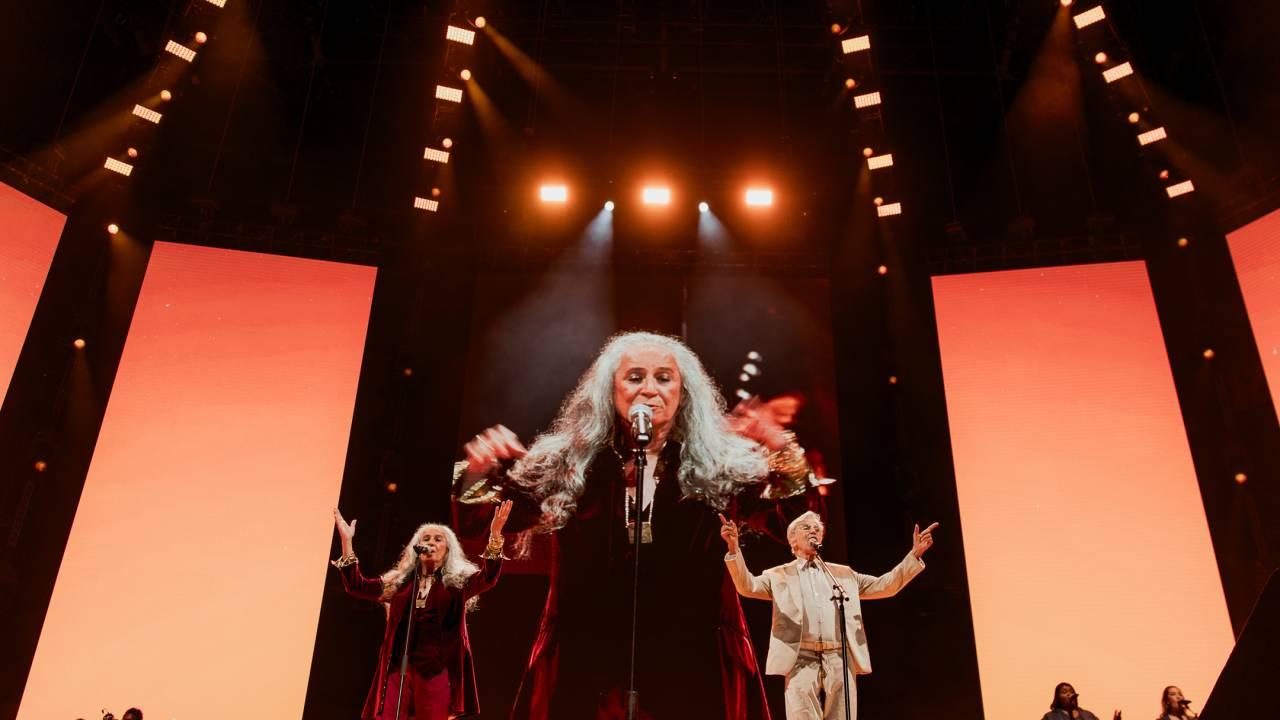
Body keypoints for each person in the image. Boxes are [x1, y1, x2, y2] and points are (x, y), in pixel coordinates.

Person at [454, 331, 817, 719]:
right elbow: (481, 523)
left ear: (683, 393)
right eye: (634, 377)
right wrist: (476, 471)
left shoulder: (719, 467)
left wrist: (782, 448)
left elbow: (795, 525)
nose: (649, 389)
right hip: (586, 666)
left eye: (663, 378)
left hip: (694, 665)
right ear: (609, 390)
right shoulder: (569, 464)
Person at [719, 510, 936, 719]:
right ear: (792, 540)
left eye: (817, 529)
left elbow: (886, 586)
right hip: (800, 659)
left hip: (839, 657)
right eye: (806, 528)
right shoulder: (778, 575)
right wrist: (734, 549)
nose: (813, 530)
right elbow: (747, 586)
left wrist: (914, 555)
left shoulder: (843, 575)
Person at [331, 500, 512, 720]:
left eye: (438, 539)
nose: (431, 542)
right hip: (398, 670)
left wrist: (495, 536)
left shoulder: (457, 585)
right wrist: (347, 542)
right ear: (416, 548)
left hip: (436, 671)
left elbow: (488, 577)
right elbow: (357, 586)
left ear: (448, 550)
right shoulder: (400, 583)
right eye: (425, 539)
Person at [1042, 682, 1121, 720]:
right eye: (1064, 692)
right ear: (1057, 698)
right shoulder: (1050, 717)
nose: (1069, 694)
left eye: (1071, 691)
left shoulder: (1088, 715)